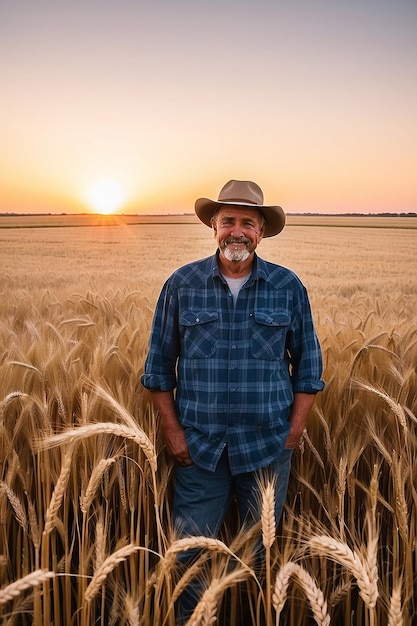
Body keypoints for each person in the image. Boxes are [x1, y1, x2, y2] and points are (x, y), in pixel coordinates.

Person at [141, 179, 324, 623]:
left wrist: (292, 435)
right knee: (190, 561)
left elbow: (309, 369)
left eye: (247, 222)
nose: (236, 231)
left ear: (261, 232)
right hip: (199, 451)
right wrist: (172, 432)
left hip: (266, 449)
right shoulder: (182, 285)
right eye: (228, 222)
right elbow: (158, 370)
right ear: (213, 227)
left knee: (260, 562)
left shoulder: (287, 286)